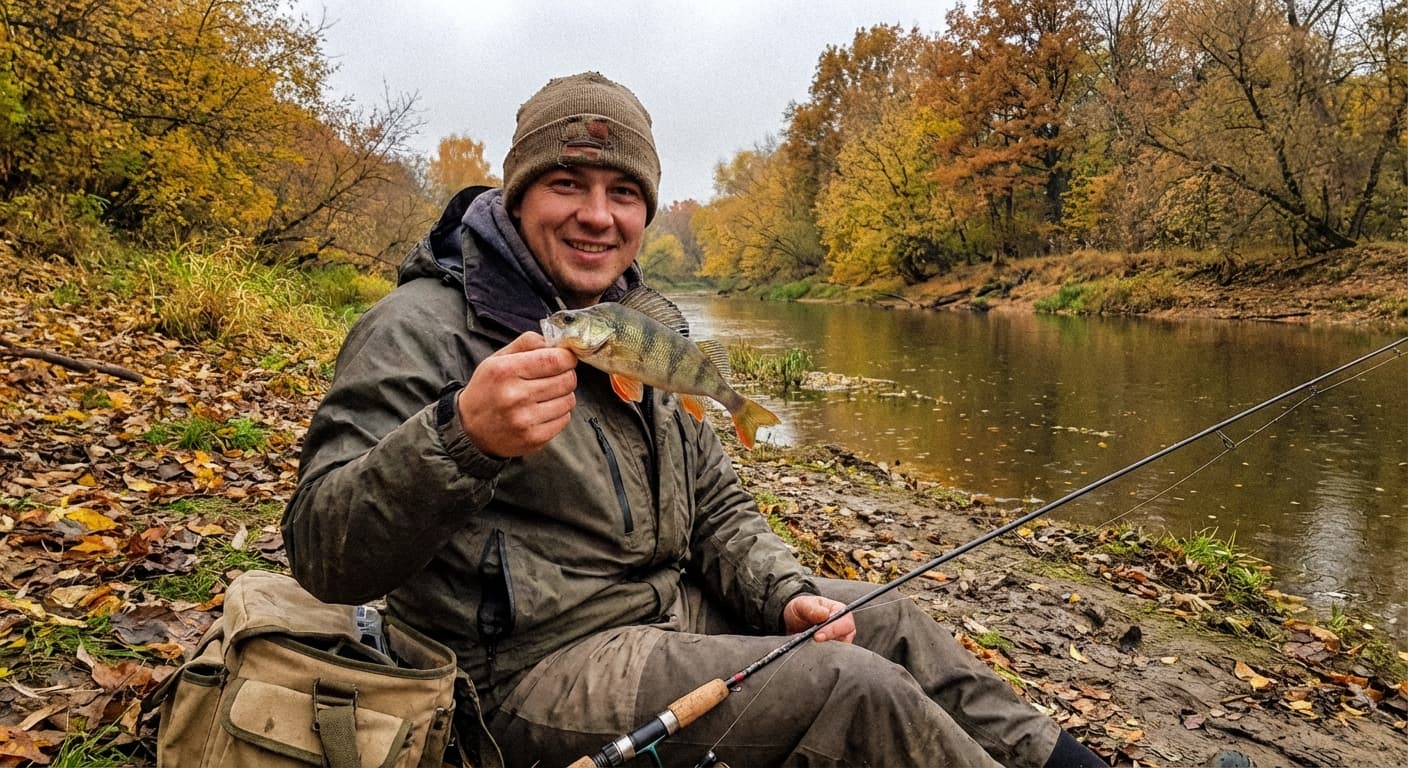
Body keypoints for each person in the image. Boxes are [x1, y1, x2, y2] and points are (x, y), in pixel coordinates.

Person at [282, 71, 1109, 768]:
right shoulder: (418, 328)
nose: (597, 216)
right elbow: (324, 553)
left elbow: (714, 505)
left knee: (889, 621)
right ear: (517, 191)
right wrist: (462, 439)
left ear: (646, 210)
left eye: (624, 193)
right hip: (522, 672)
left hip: (660, 611)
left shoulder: (645, 324)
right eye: (567, 184)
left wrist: (784, 595)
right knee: (849, 686)